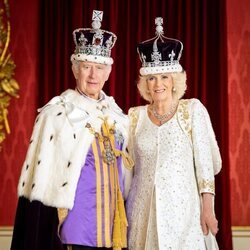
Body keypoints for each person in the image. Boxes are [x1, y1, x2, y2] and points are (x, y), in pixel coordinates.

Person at [11, 10, 133, 250]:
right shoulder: (56, 115)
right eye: (86, 66)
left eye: (99, 67)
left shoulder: (119, 117)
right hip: (75, 228)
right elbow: (40, 183)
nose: (92, 75)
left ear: (108, 72)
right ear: (75, 69)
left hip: (113, 228)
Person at [126, 17, 221, 250]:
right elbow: (127, 170)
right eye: (151, 78)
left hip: (184, 215)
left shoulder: (192, 110)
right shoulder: (134, 117)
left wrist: (208, 208)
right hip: (141, 213)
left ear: (174, 79)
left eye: (164, 77)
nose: (158, 84)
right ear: (145, 83)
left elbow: (206, 165)